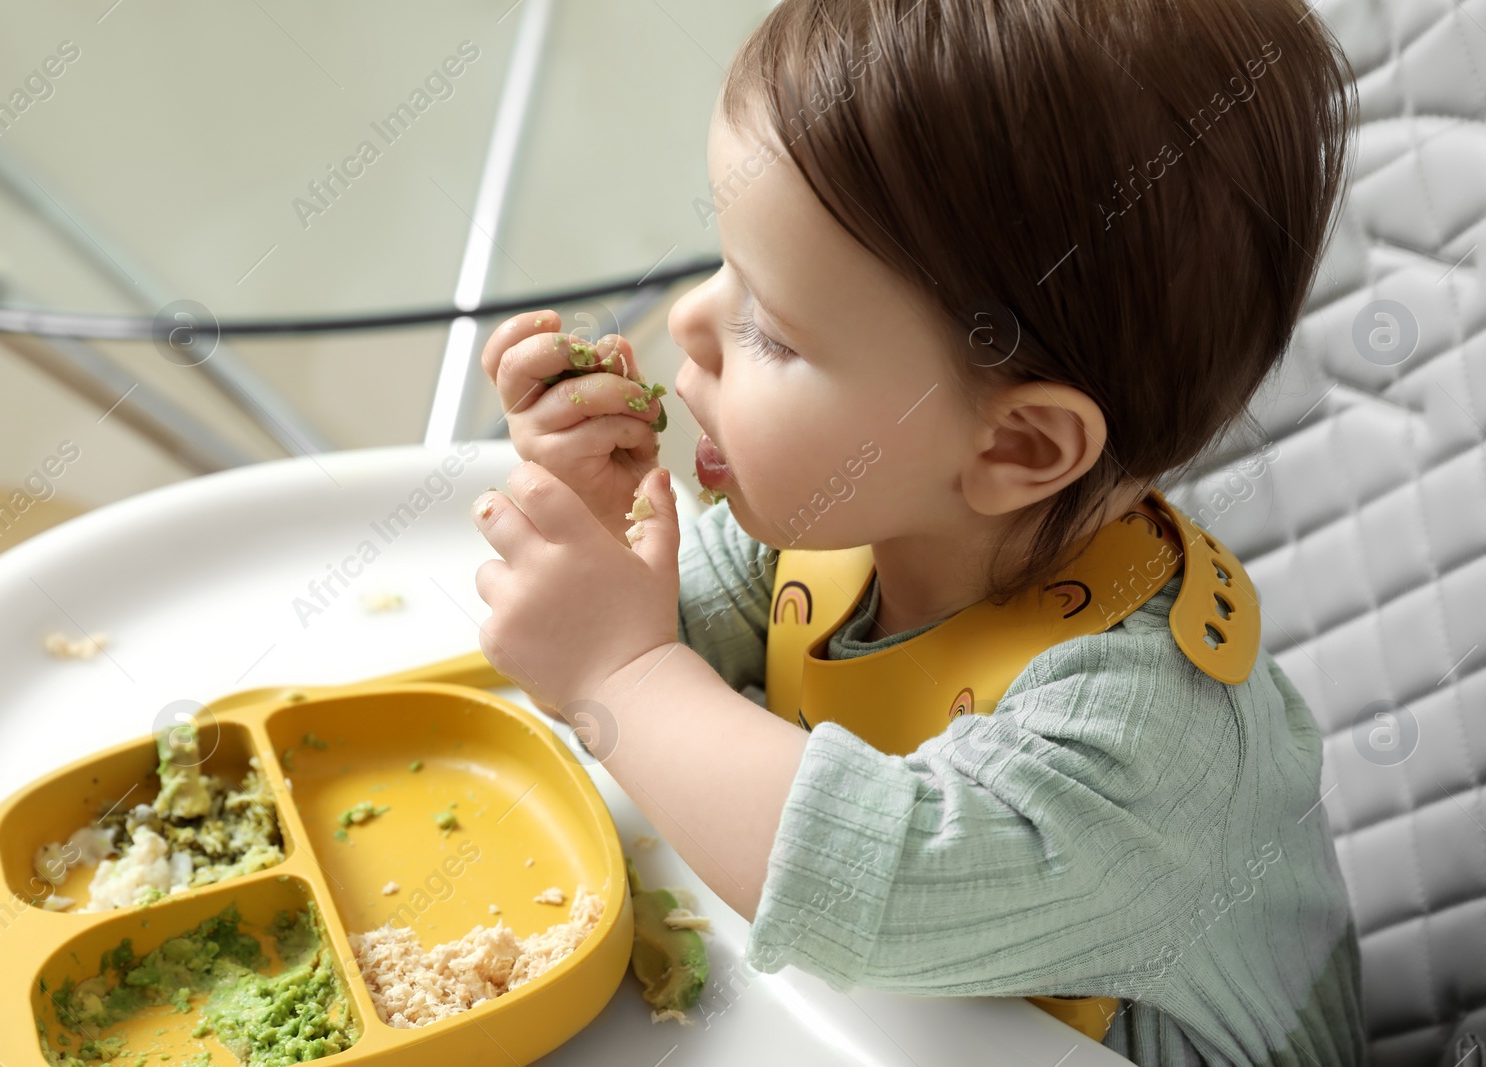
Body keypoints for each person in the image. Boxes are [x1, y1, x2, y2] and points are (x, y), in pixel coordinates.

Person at [470, 0, 1362, 1062]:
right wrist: (594, 531)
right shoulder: (839, 519)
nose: (688, 324)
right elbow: (634, 669)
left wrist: (622, 670)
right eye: (726, 265)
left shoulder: (1150, 743)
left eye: (771, 327)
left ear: (1017, 448)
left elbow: (867, 887)